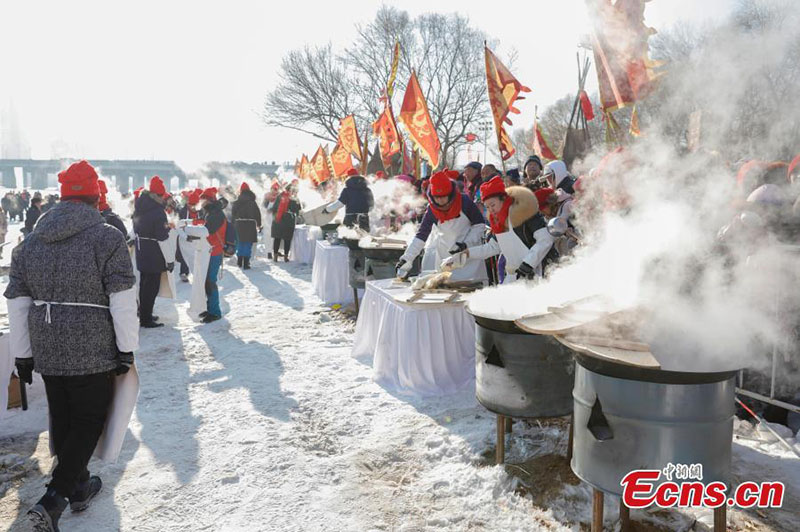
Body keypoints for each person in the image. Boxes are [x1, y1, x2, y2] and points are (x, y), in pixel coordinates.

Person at [6, 160, 138, 531]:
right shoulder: (107, 236)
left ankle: (79, 487)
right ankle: (54, 499)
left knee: (63, 416)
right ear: (96, 198)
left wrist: (23, 352)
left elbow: (16, 301)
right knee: (88, 420)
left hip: (46, 341)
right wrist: (126, 347)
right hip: (92, 342)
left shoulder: (31, 241)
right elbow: (122, 298)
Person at [443, 176, 557, 281]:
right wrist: (465, 254)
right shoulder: (498, 222)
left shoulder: (525, 213)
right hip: (514, 275)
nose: (491, 210)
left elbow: (545, 239)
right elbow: (492, 247)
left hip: (536, 274)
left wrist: (528, 264)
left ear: (503, 199)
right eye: (487, 207)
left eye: (493, 205)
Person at [396, 169, 488, 282]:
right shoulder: (432, 210)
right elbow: (421, 236)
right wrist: (407, 258)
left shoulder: (464, 202)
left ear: (450, 194)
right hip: (446, 259)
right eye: (437, 197)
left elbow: (479, 225)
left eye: (444, 196)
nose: (440, 200)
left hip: (469, 256)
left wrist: (465, 244)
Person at [133, 176, 170, 328]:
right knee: (151, 287)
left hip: (142, 249)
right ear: (156, 195)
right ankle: (146, 318)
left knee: (144, 284)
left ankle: (144, 314)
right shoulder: (158, 212)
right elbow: (161, 235)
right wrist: (167, 228)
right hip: (154, 252)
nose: (163, 199)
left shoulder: (139, 206)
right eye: (162, 196)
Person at [198, 187, 226, 323]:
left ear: (209, 200)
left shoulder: (215, 214)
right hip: (211, 250)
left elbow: (207, 230)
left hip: (214, 251)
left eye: (203, 199)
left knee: (210, 281)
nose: (201, 202)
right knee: (207, 281)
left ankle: (215, 312)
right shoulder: (212, 211)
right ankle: (210, 308)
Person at [231, 182, 262, 270]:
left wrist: (232, 225)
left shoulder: (236, 202)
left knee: (240, 242)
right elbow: (257, 214)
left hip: (239, 224)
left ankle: (239, 260)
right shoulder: (253, 202)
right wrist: (259, 224)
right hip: (250, 224)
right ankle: (246, 262)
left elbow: (233, 214)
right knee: (248, 244)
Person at [270, 185, 301, 262]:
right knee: (287, 239)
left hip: (277, 220)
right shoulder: (294, 199)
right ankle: (286, 256)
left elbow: (274, 209)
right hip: (288, 221)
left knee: (277, 238)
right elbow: (297, 210)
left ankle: (275, 256)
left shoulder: (279, 196)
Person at [177, 189, 202, 281]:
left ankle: (197, 274)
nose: (192, 207)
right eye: (191, 205)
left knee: (196, 257)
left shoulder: (201, 212)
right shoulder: (183, 212)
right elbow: (178, 226)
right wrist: (185, 236)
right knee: (185, 255)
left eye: (194, 205)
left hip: (197, 237)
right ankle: (184, 272)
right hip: (184, 237)